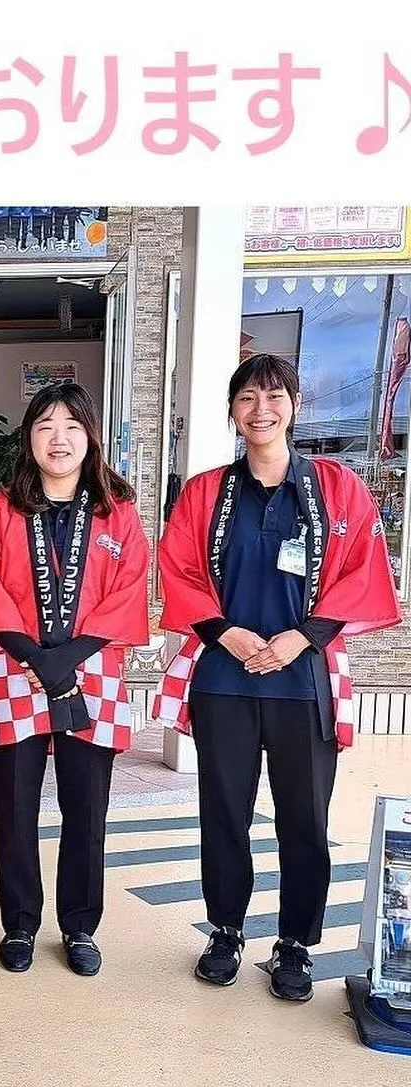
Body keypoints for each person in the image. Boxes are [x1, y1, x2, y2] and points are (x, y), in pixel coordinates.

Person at [154, 354, 401, 1002]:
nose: (261, 409)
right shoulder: (208, 491)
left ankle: (296, 943)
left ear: (294, 404)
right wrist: (224, 633)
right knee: (224, 816)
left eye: (274, 395)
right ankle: (227, 930)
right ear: (232, 411)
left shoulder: (336, 487)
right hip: (225, 682)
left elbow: (363, 568)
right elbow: (175, 569)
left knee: (303, 819)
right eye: (247, 398)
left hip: (302, 681)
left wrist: (302, 637)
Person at [0, 382, 149, 976]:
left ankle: (80, 927)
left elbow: (128, 592)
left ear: (90, 436)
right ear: (28, 438)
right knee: (14, 808)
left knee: (87, 810)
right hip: (15, 674)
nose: (58, 438)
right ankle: (20, 924)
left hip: (93, 679)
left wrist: (65, 660)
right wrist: (38, 659)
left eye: (71, 426)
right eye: (44, 426)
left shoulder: (119, 514)